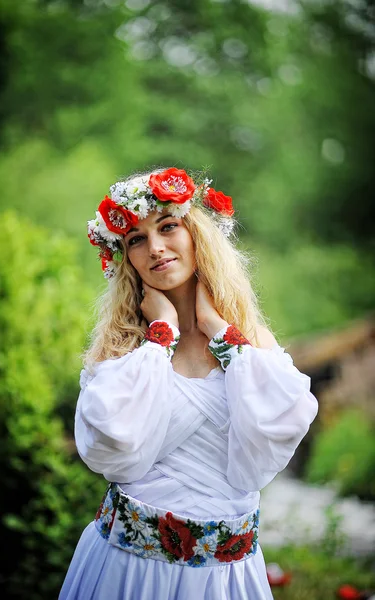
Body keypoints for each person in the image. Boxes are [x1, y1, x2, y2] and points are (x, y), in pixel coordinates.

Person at [59, 167, 318, 600]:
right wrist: (162, 332)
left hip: (223, 578)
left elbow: (270, 447)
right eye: (136, 239)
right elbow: (114, 452)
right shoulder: (122, 346)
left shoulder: (249, 342)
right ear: (126, 257)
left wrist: (217, 329)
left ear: (197, 233)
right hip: (128, 572)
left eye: (167, 227)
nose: (155, 248)